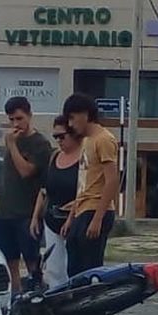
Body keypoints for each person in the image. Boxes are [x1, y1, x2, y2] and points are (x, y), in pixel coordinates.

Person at [0, 96, 55, 292]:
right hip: (5, 210)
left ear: (29, 115)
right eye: (11, 119)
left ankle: (36, 289)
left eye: (19, 118)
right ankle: (15, 291)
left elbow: (26, 171)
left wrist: (12, 145)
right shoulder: (12, 139)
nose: (15, 124)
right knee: (9, 256)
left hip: (27, 211)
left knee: (31, 257)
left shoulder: (39, 144)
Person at [60, 93, 119, 277]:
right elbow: (83, 183)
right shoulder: (86, 141)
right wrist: (71, 216)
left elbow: (112, 179)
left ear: (85, 114)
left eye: (72, 117)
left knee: (90, 268)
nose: (70, 124)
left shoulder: (104, 139)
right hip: (82, 209)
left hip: (96, 209)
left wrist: (98, 218)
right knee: (74, 268)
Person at [30, 115, 81, 290]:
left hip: (74, 219)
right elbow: (44, 190)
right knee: (53, 268)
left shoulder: (84, 159)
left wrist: (72, 216)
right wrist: (36, 216)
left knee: (73, 265)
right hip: (52, 218)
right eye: (55, 137)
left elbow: (86, 191)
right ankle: (57, 300)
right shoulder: (54, 157)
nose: (59, 141)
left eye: (62, 136)